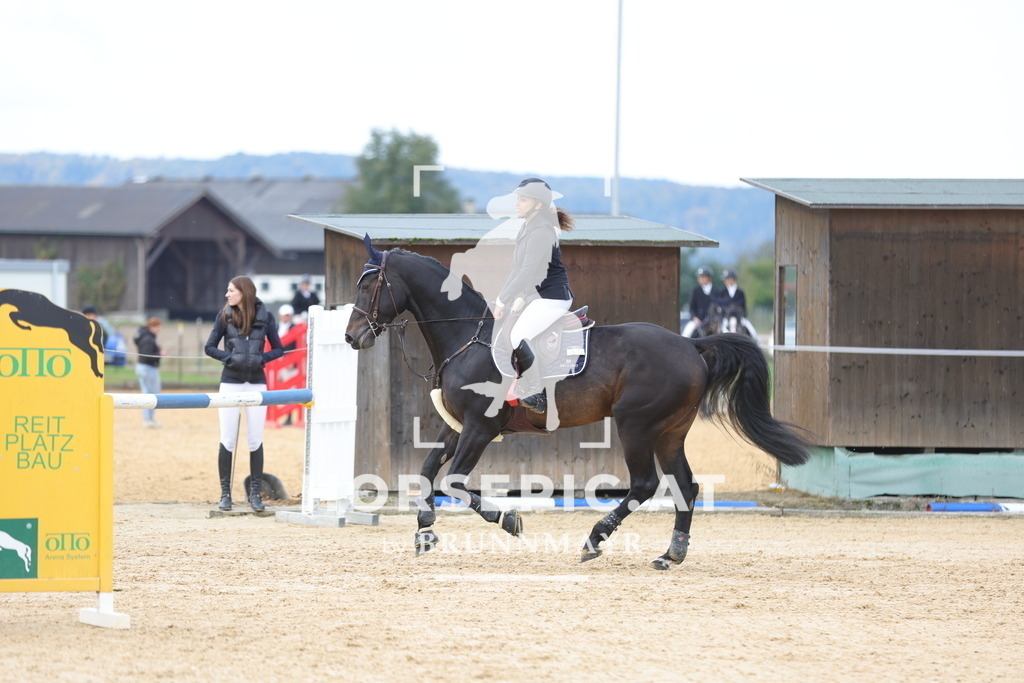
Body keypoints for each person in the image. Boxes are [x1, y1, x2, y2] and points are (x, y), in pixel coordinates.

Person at [493, 178, 575, 415]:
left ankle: (538, 393)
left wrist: (503, 300)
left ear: (538, 205)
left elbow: (527, 273)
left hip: (552, 297)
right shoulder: (528, 227)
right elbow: (517, 271)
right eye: (517, 199)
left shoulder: (541, 231)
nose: (517, 203)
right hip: (537, 296)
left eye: (523, 199)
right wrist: (502, 299)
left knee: (519, 334)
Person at [204, 276, 284, 512]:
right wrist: (229, 358)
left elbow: (279, 349)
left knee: (255, 440)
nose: (227, 295)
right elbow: (209, 347)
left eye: (231, 291)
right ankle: (225, 494)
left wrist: (261, 359)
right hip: (230, 382)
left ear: (244, 292)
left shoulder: (267, 317)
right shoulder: (223, 316)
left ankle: (255, 495)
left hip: (257, 383)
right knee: (227, 439)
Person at [132, 317, 163, 428]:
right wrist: (160, 354)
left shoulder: (144, 336)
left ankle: (149, 419)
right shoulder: (148, 338)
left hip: (143, 367)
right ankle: (148, 419)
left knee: (148, 393)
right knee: (150, 395)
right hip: (148, 368)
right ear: (151, 326)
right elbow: (147, 355)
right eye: (157, 327)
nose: (159, 329)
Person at [717, 269, 758, 337]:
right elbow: (721, 305)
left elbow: (743, 306)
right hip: (726, 317)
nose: (726, 281)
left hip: (739, 317)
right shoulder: (722, 292)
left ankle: (755, 340)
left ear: (733, 279)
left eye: (728, 279)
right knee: (720, 329)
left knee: (751, 329)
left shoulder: (740, 292)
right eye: (725, 279)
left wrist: (741, 313)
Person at [682, 267, 716, 338]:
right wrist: (695, 318)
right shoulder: (696, 290)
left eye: (703, 277)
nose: (700, 279)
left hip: (713, 321)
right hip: (698, 320)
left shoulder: (715, 291)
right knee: (686, 333)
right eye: (699, 277)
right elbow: (692, 308)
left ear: (709, 278)